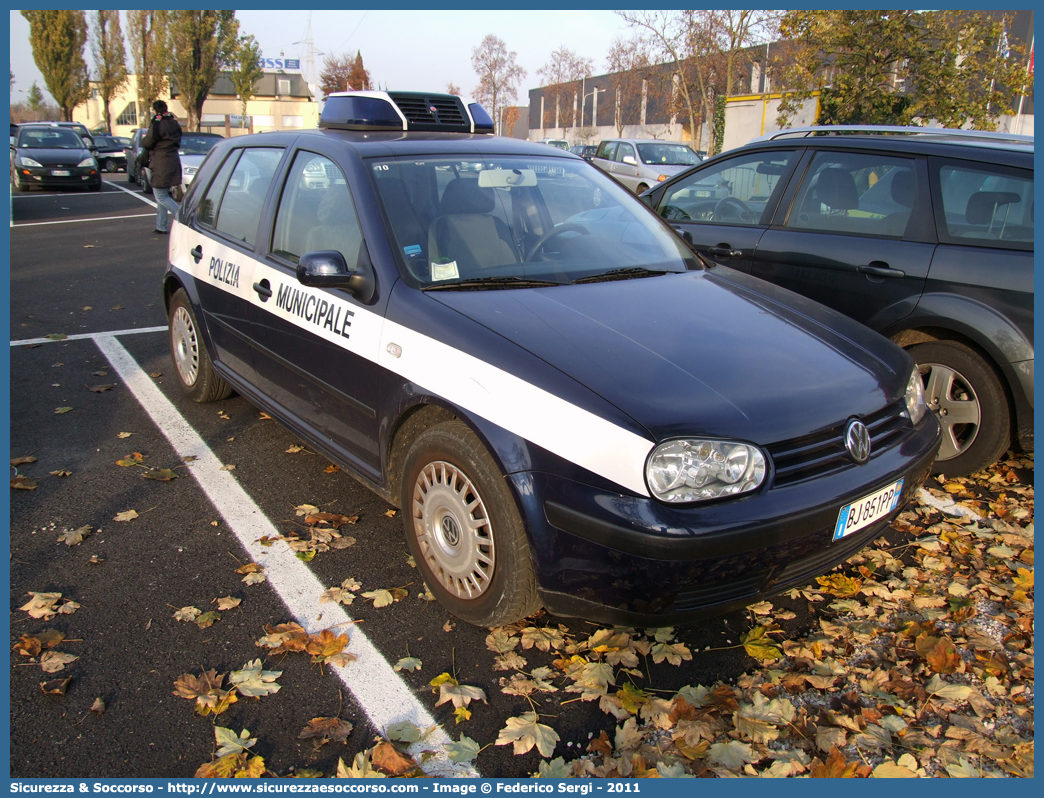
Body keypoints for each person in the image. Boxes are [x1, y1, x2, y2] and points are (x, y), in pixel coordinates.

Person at [141, 100, 182, 234]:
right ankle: (161, 225)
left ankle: (183, 217)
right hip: (173, 160)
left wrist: (143, 140)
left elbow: (148, 141)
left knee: (160, 196)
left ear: (154, 110)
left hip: (160, 161)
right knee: (163, 194)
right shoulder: (174, 123)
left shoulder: (157, 124)